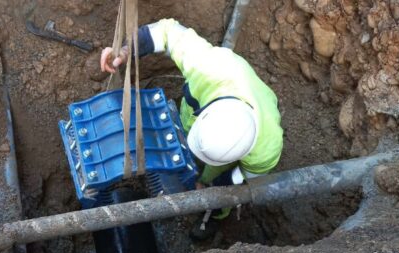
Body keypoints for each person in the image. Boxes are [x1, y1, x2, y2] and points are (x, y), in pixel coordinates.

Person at [100, 19, 284, 238]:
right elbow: (166, 33)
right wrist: (125, 51)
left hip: (227, 151)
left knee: (222, 195)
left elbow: (243, 177)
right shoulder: (210, 69)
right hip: (195, 116)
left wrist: (211, 186)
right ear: (208, 111)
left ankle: (212, 216)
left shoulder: (267, 149)